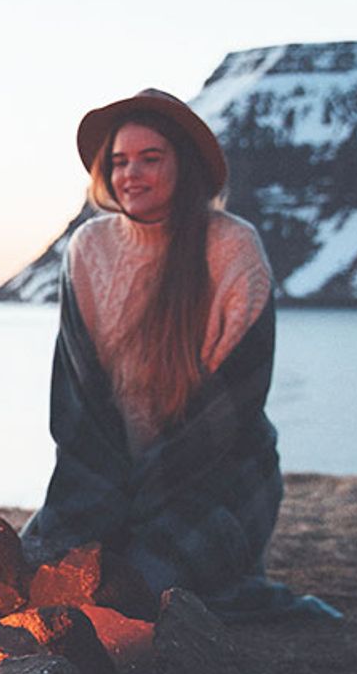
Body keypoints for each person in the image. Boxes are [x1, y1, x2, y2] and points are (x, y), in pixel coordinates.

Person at [18, 88, 338, 621]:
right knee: (35, 582)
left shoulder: (232, 247)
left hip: (216, 478)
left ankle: (242, 588)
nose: (130, 175)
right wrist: (96, 508)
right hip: (106, 477)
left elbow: (232, 406)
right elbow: (77, 404)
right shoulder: (88, 250)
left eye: (150, 159)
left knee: (137, 595)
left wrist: (134, 511)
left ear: (183, 166)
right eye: (119, 162)